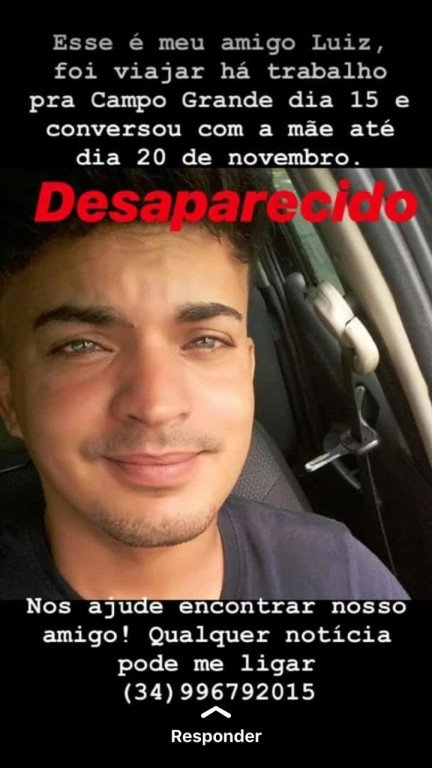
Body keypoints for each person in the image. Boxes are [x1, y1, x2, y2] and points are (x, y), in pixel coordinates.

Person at [0, 168, 408, 600]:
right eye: (82, 346)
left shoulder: (341, 576)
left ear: (247, 371)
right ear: (9, 398)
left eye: (206, 341)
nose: (157, 405)